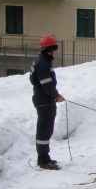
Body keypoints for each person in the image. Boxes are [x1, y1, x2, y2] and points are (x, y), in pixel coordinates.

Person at [30, 35, 65, 170]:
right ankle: (43, 159)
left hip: (43, 98)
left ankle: (45, 157)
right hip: (44, 100)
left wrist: (55, 95)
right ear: (49, 50)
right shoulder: (43, 64)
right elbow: (47, 85)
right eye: (55, 50)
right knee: (45, 130)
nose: (56, 53)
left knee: (45, 129)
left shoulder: (42, 61)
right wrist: (55, 95)